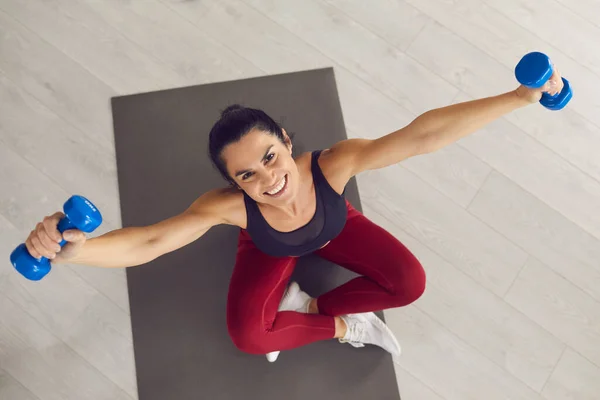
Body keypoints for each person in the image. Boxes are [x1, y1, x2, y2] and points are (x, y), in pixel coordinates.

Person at [23, 68, 564, 363]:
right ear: (232, 183)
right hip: (269, 248)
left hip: (333, 231)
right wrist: (74, 250)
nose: (267, 180)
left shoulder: (334, 164)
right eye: (246, 176)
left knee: (410, 282)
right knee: (251, 337)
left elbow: (422, 136)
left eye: (269, 157)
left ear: (285, 140)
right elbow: (148, 243)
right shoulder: (231, 209)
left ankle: (305, 307)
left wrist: (519, 97)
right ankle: (341, 324)